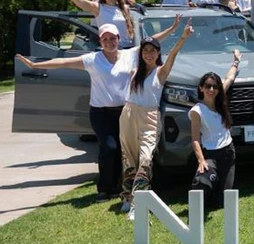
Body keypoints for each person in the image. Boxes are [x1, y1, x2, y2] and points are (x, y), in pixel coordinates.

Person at [15, 20, 180, 203]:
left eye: (112, 38)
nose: (109, 42)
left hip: (124, 111)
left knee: (124, 151)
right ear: (100, 41)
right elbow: (64, 62)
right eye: (105, 39)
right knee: (109, 147)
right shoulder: (93, 59)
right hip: (100, 112)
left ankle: (121, 188)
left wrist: (171, 29)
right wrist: (36, 65)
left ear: (118, 38)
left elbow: (152, 42)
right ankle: (104, 188)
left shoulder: (130, 55)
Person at [120, 19, 193, 220]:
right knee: (129, 158)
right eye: (146, 50)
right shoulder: (135, 71)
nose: (149, 54)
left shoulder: (161, 72)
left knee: (145, 159)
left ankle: (138, 203)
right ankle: (126, 197)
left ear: (158, 54)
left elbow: (174, 54)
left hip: (150, 117)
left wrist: (183, 36)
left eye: (153, 51)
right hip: (128, 115)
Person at [190, 50, 241, 208]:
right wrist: (201, 160)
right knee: (202, 182)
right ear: (201, 88)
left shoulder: (220, 101)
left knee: (223, 200)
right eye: (208, 86)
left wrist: (236, 61)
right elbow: (195, 139)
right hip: (210, 154)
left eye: (215, 86)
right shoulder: (197, 111)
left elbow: (229, 78)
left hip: (228, 152)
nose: (211, 90)